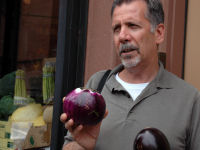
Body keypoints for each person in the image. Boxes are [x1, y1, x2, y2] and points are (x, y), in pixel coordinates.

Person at [60, 0, 200, 149]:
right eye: (116, 28)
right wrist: (83, 145)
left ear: (158, 33)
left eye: (132, 26)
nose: (122, 36)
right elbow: (69, 145)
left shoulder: (189, 99)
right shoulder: (96, 87)